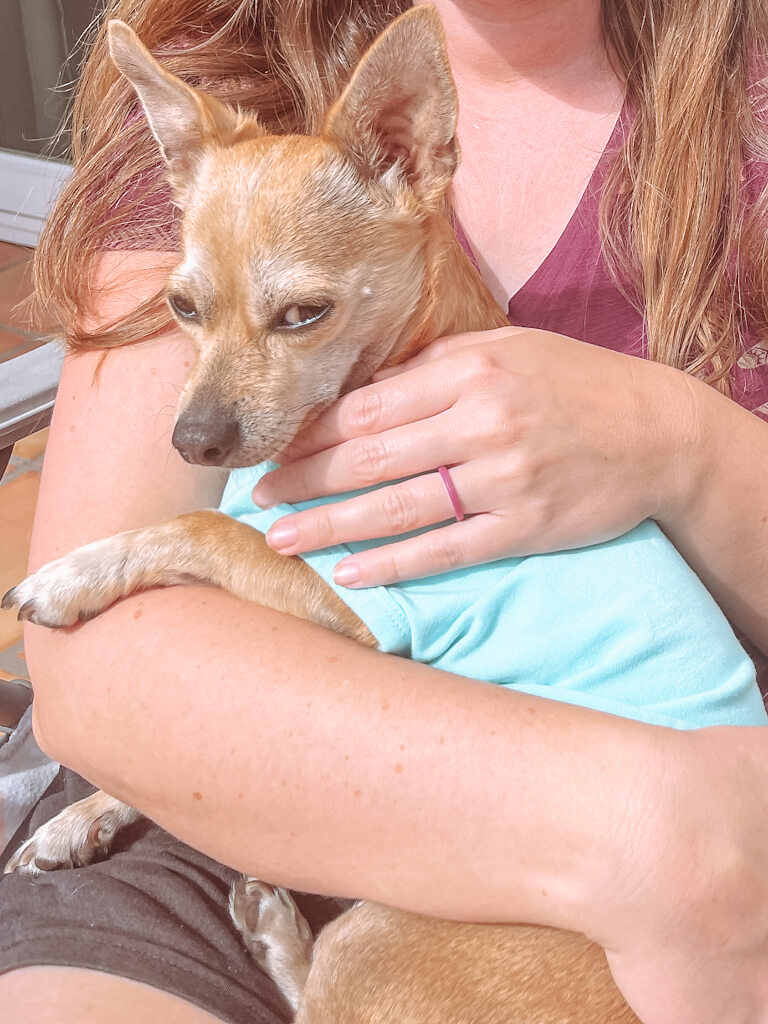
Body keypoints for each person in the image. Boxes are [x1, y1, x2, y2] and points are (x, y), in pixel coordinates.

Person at [2, 0, 768, 1022]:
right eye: (193, 310)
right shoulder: (229, 60)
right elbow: (94, 671)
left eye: (302, 313)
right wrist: (642, 828)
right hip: (228, 787)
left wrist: (687, 445)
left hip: (696, 812)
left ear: (411, 150)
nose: (204, 421)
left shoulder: (741, 95)